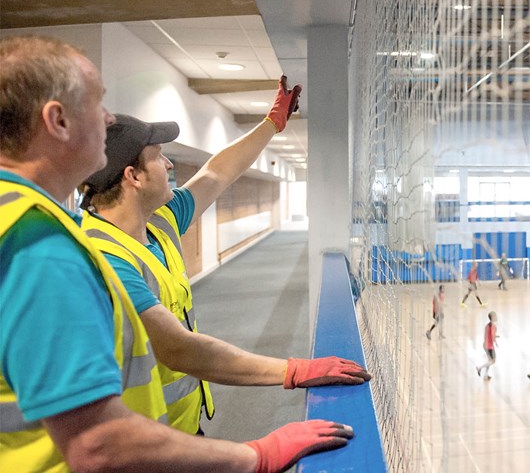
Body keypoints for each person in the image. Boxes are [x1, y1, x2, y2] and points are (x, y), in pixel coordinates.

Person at [0, 35, 353, 472]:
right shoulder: (44, 248)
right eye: (97, 103)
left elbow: (216, 173)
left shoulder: (145, 223)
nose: (107, 118)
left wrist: (271, 124)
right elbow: (101, 439)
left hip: (164, 432)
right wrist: (258, 454)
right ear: (58, 122)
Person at [78, 105, 370, 435]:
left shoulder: (160, 222)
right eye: (159, 156)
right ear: (134, 176)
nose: (170, 164)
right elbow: (179, 348)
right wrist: (294, 370)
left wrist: (271, 124)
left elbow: (216, 173)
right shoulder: (103, 258)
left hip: (177, 430)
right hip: (139, 445)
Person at [475, 311, 499, 380]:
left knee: (489, 361)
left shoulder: (487, 326)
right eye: (495, 316)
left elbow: (487, 335)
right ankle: (479, 368)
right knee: (493, 361)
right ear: (492, 317)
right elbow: (492, 336)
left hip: (485, 345)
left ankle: (486, 375)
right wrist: (496, 341)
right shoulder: (493, 327)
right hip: (489, 346)